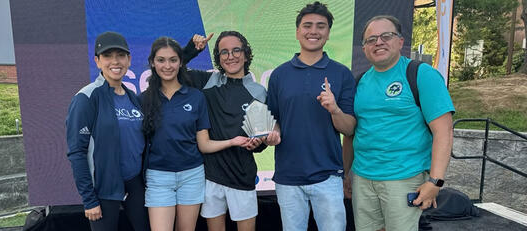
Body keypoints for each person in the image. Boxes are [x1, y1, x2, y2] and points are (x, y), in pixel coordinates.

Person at [349, 15, 455, 231]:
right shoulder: (359, 82)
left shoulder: (421, 74)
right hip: (362, 178)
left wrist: (435, 181)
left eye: (385, 36)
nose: (378, 42)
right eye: (371, 39)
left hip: (405, 179)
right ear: (364, 48)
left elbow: (444, 132)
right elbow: (352, 134)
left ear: (400, 41)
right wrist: (346, 173)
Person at [140, 36, 250, 231]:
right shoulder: (144, 99)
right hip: (158, 177)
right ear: (152, 63)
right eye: (161, 60)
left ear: (180, 62)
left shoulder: (196, 96)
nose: (167, 66)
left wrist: (233, 141)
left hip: (192, 175)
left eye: (173, 60)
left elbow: (204, 144)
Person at [264, 2, 357, 230]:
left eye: (320, 26)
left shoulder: (341, 73)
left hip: (328, 176)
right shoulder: (279, 74)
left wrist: (334, 109)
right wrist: (273, 132)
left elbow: (350, 129)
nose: (313, 31)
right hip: (288, 177)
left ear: (328, 33)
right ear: (297, 32)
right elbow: (273, 119)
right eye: (307, 25)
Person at [65, 31, 150, 231]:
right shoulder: (86, 98)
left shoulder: (133, 98)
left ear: (129, 60)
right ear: (97, 61)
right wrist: (89, 200)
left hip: (134, 182)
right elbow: (77, 152)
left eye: (120, 55)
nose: (115, 61)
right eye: (107, 56)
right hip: (103, 188)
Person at [184, 31, 267, 231]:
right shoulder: (207, 82)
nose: (231, 56)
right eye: (224, 52)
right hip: (211, 176)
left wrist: (258, 143)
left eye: (236, 50)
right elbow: (172, 69)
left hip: (242, 175)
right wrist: (191, 50)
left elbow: (261, 139)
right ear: (219, 58)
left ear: (246, 55)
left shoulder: (258, 92)